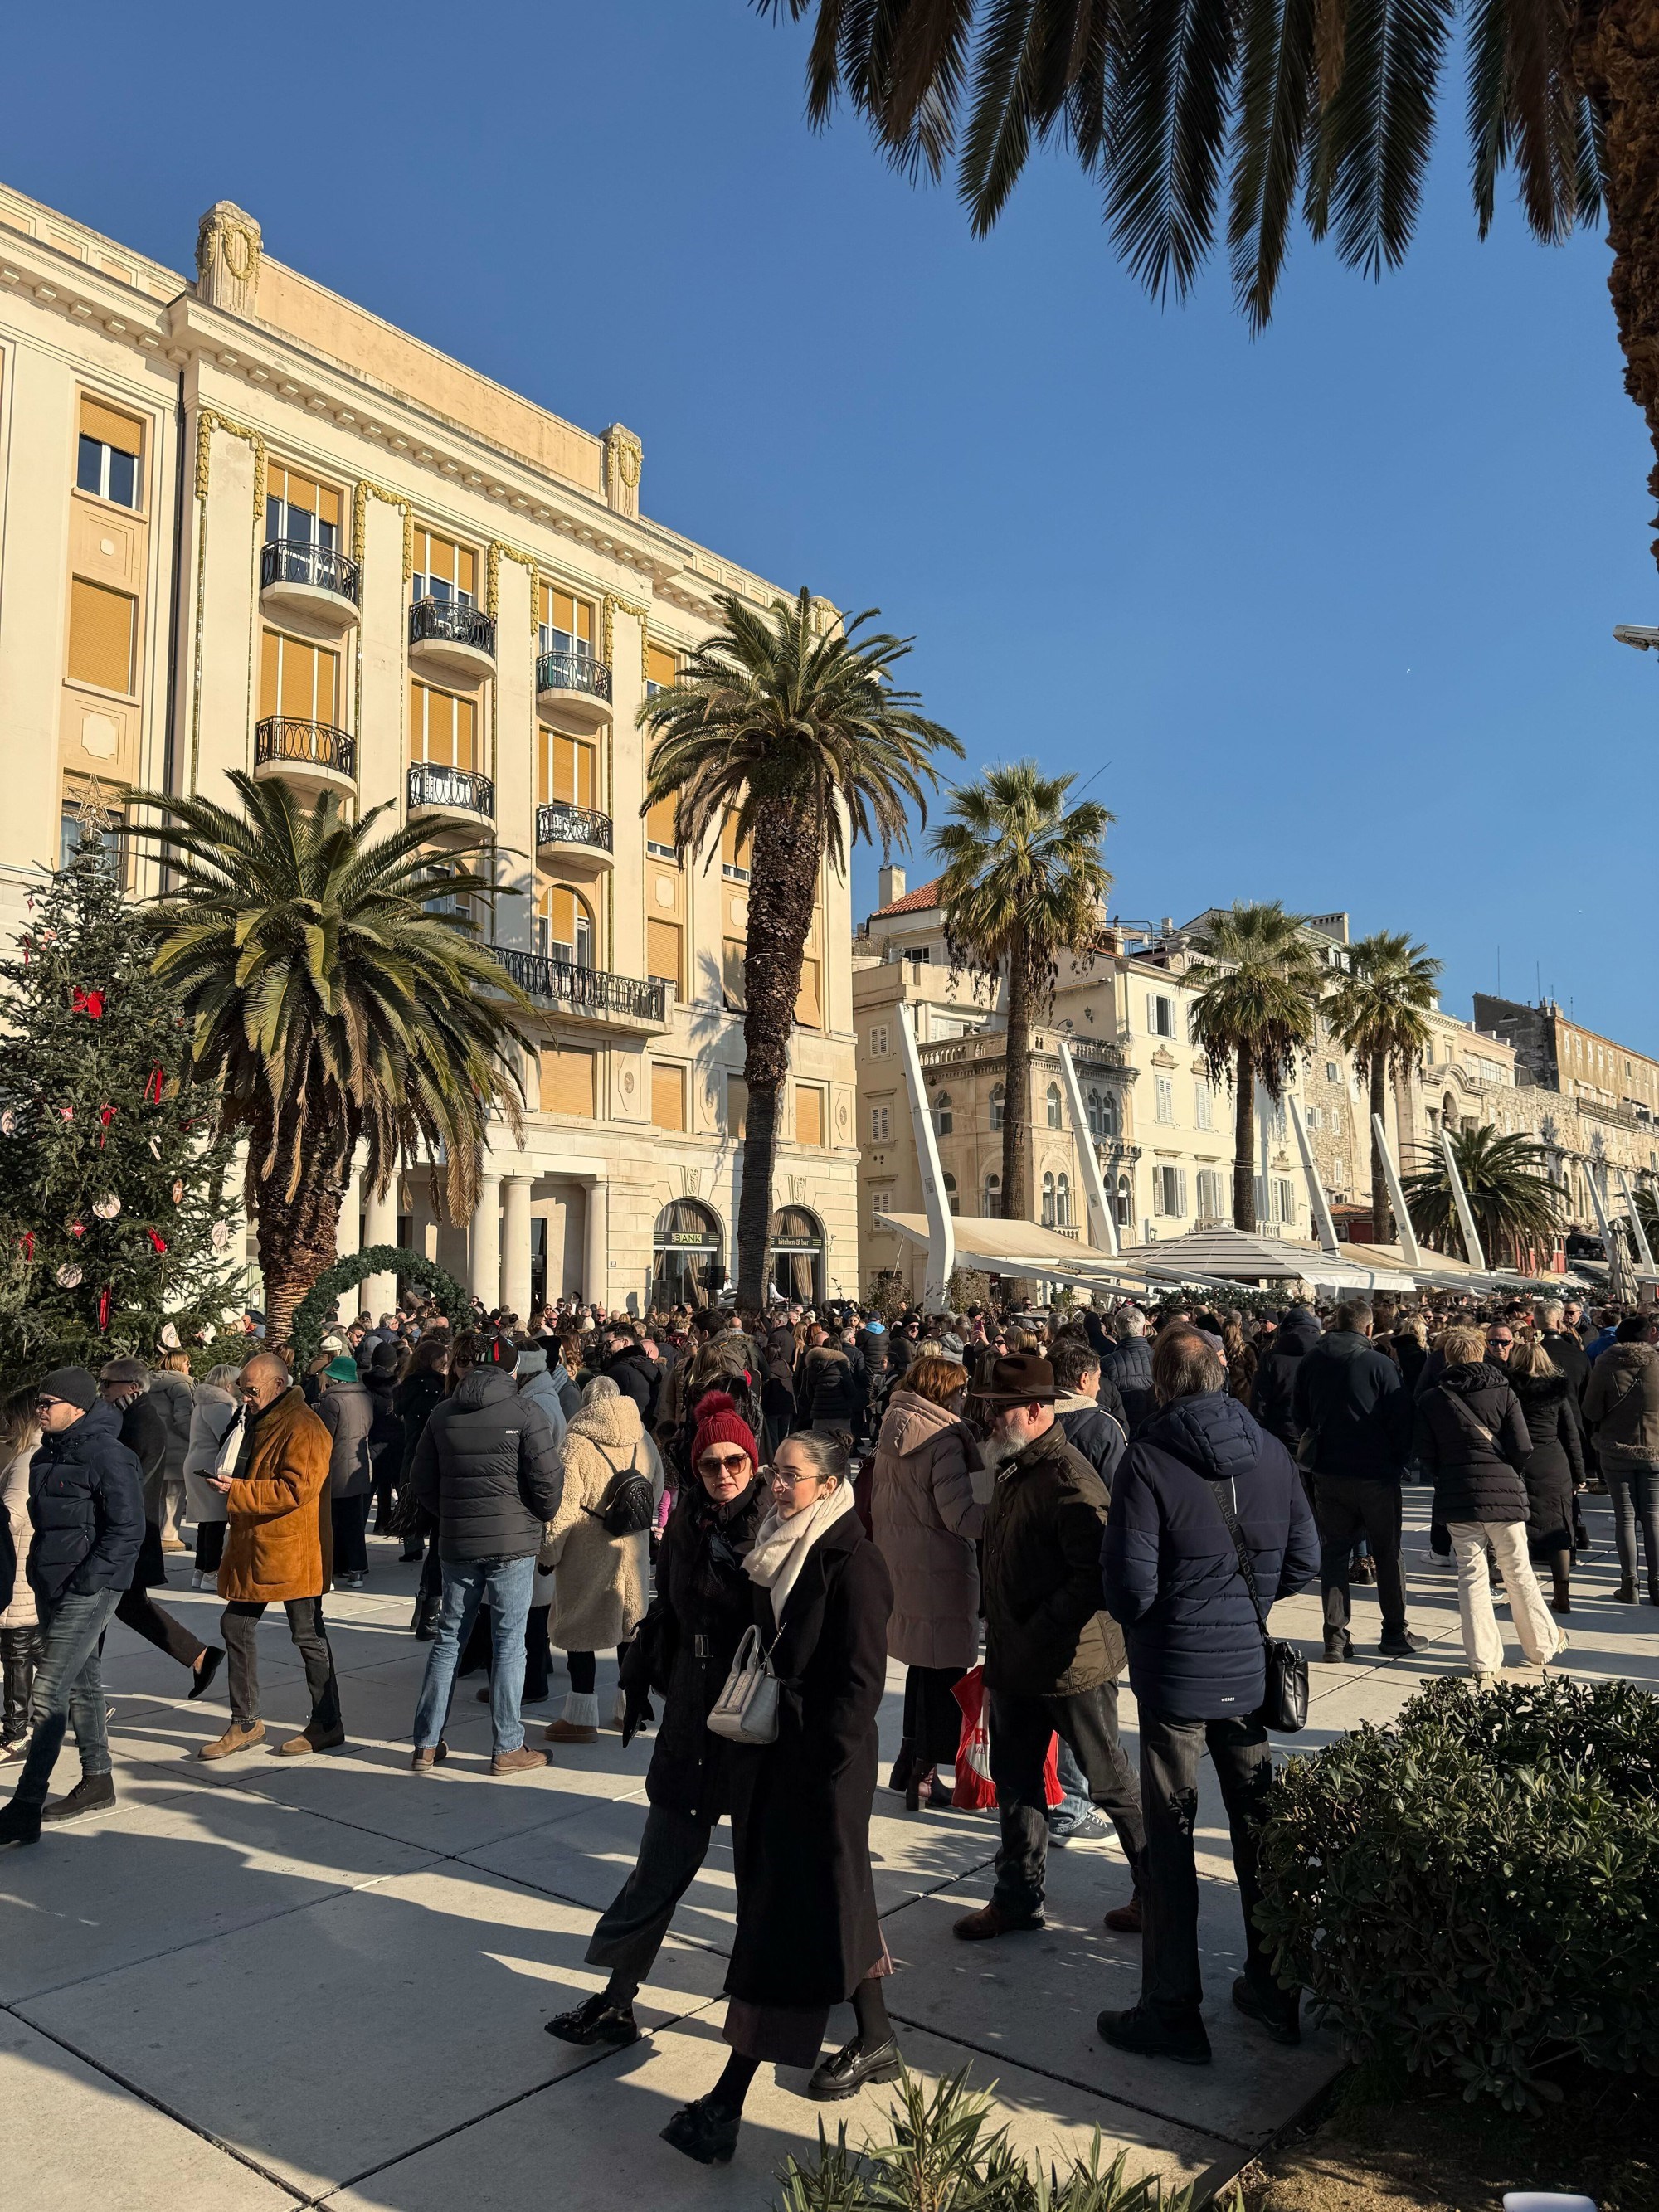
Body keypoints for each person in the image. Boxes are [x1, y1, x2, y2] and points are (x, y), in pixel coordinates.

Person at [661, 1432, 897, 2165]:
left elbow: (860, 1687)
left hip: (820, 1773)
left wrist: (820, 1766)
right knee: (838, 1897)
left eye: (792, 1475)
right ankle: (877, 2036)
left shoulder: (855, 1562)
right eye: (777, 1472)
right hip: (771, 1760)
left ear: (829, 1484)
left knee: (781, 1931)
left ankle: (726, 2104)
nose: (777, 1485)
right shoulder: (774, 1546)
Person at [1099, 1329, 1319, 2063]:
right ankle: (1276, 1985)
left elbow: (1130, 1587)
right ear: (1221, 1373)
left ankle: (1171, 2006)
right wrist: (1243, 1607)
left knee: (1172, 1838)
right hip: (1244, 1666)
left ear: (1160, 1382)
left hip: (1175, 1673)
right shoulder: (1271, 1450)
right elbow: (1305, 1559)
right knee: (1259, 1828)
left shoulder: (1147, 1458)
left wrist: (1176, 1614)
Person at [547, 1393, 767, 2051]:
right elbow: (667, 1607)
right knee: (658, 1862)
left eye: (734, 1460)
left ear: (753, 1461)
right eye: (709, 1463)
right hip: (692, 1716)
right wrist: (641, 1669)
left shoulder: (775, 1526)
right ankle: (617, 1999)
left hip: (756, 1720)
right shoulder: (690, 1522)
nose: (723, 1473)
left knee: (766, 1876)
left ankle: (789, 1997)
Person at [951, 1354, 1146, 1944]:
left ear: (1036, 1409)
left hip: (1069, 1664)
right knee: (1015, 1781)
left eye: (999, 1408)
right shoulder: (1011, 1464)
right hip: (1016, 1657)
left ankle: (1158, 1890)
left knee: (1107, 1779)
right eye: (985, 1407)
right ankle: (1017, 1897)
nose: (987, 1418)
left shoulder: (1068, 1478)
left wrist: (1039, 1627)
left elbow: (1095, 1576)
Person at [0, 1368, 145, 1848]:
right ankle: (98, 1778)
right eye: (38, 1403)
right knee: (82, 1682)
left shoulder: (108, 1454)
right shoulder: (47, 1454)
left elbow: (128, 1530)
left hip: (88, 1589)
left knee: (47, 1692)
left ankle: (25, 1807)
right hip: (51, 1585)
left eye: (48, 1403)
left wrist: (89, 1581)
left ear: (77, 1408)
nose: (39, 1410)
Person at [406, 1340, 562, 1775]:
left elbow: (420, 1481)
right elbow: (548, 1482)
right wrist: (536, 1517)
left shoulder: (443, 1414)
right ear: (514, 1373)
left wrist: (453, 1514)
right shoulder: (526, 1412)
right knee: (509, 1641)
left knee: (449, 1638)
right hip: (512, 1543)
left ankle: (425, 1743)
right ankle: (507, 1745)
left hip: (459, 1542)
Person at [199, 1351, 346, 1760]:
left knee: (308, 1634)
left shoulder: (304, 1426)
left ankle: (327, 1723)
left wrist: (237, 1490)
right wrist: (231, 1482)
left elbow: (296, 1489)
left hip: (294, 1551)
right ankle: (246, 1722)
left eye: (251, 1391)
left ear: (278, 1386)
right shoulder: (259, 1418)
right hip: (258, 1547)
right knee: (236, 1625)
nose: (244, 1398)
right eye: (242, 1391)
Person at [1413, 1325, 1565, 1682]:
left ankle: (1482, 1659)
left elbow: (1426, 1453)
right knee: (1518, 1569)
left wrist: (1448, 1473)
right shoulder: (1503, 1391)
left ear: (1448, 1358)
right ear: (1480, 1353)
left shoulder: (1433, 1399)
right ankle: (1541, 1644)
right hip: (1503, 1491)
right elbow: (1523, 1445)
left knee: (1471, 1574)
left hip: (1458, 1492)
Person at [867, 1354, 985, 1812]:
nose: (963, 1397)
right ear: (943, 1391)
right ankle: (925, 1774)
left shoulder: (895, 1426)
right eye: (958, 1389)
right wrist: (1004, 1512)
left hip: (904, 1564)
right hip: (940, 1570)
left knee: (922, 1666)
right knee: (946, 1676)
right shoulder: (943, 1439)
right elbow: (962, 1516)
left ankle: (907, 1764)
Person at [1291, 1300, 1422, 1662]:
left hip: (1329, 1472)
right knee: (1388, 1552)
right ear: (1368, 1329)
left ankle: (1334, 1638)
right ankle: (1394, 1631)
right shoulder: (1379, 1363)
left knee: (1334, 1554)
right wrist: (1398, 1460)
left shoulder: (1312, 1361)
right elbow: (1402, 1419)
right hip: (1375, 1473)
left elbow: (1298, 1414)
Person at [100, 1361, 223, 1701]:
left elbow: (127, 1481)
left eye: (108, 1383)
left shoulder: (139, 1421)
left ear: (132, 1387)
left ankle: (83, 1695)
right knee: (125, 1606)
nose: (103, 1389)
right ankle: (200, 1656)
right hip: (132, 1530)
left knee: (98, 1609)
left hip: (128, 1531)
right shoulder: (130, 1416)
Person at [542, 1376, 654, 1745]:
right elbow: (656, 1484)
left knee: (580, 1630)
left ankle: (580, 1718)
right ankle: (628, 1709)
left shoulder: (576, 1444)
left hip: (587, 1551)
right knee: (629, 1628)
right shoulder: (642, 1436)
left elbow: (563, 1509)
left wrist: (549, 1554)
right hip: (632, 1548)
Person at [1581, 1311, 1659, 1604]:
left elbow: (1591, 1411)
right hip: (1654, 1449)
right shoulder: (1657, 1365)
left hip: (1616, 1449)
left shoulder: (1606, 1365)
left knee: (1625, 1518)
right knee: (1653, 1518)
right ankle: (1658, 1583)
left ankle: (1630, 1584)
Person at [1505, 1339, 1584, 1614]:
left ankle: (1524, 1594)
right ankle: (1562, 1593)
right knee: (1559, 1527)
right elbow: (1570, 1435)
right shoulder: (1557, 1392)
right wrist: (1579, 1472)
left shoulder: (1509, 1390)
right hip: (1553, 1461)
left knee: (1519, 1531)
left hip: (1519, 1461)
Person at [396, 1335, 452, 1627]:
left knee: (432, 1541)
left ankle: (424, 1610)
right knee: (440, 1543)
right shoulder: (437, 1390)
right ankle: (428, 1611)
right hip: (431, 1468)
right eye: (444, 1362)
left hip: (411, 1466)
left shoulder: (405, 1387)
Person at [2, 1404, 42, 1760]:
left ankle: (15, 1734)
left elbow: (11, 1516)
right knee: (36, 1647)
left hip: (17, 1566)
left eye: (11, 1419)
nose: (7, 1426)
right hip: (27, 1566)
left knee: (15, 1651)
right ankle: (84, 1701)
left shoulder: (26, 1461)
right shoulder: (39, 1454)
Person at [182, 1364, 243, 1591]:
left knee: (207, 1522)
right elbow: (226, 1438)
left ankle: (201, 1570)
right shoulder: (219, 1406)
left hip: (198, 1462)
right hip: (211, 1466)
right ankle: (211, 1572)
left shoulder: (203, 1404)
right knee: (216, 1521)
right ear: (228, 1385)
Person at [317, 1354, 375, 1591]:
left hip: (336, 1467)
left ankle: (329, 1570)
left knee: (331, 1521)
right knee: (354, 1521)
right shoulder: (365, 1397)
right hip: (359, 1466)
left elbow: (325, 1435)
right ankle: (357, 1570)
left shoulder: (332, 1400)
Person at [1052, 1337, 1129, 1487]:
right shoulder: (1104, 1426)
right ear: (1084, 1379)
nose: (1099, 1387)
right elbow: (1118, 1485)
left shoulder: (1031, 1417)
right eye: (1098, 1378)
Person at [1250, 1305, 1320, 1457]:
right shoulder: (1324, 1355)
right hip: (1316, 1433)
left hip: (1282, 1432)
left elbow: (1260, 1401)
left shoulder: (1271, 1357)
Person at [148, 1349, 197, 1551]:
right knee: (175, 1494)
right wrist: (195, 1437)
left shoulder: (149, 1383)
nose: (189, 1367)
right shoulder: (181, 1385)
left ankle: (154, 1534)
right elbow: (182, 1417)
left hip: (155, 1445)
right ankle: (169, 1536)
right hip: (176, 1447)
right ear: (178, 1364)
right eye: (187, 1363)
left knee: (157, 1495)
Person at [1105, 1309, 1155, 1432]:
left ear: (1116, 1330)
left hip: (1122, 1431)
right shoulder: (1163, 1359)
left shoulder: (1106, 1364)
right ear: (1145, 1329)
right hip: (1157, 1429)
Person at [1537, 1302, 1590, 1402]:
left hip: (1539, 1409)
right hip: (1574, 1407)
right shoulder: (1579, 1354)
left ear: (1533, 1324)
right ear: (1558, 1323)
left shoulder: (1528, 1354)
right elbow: (1588, 1392)